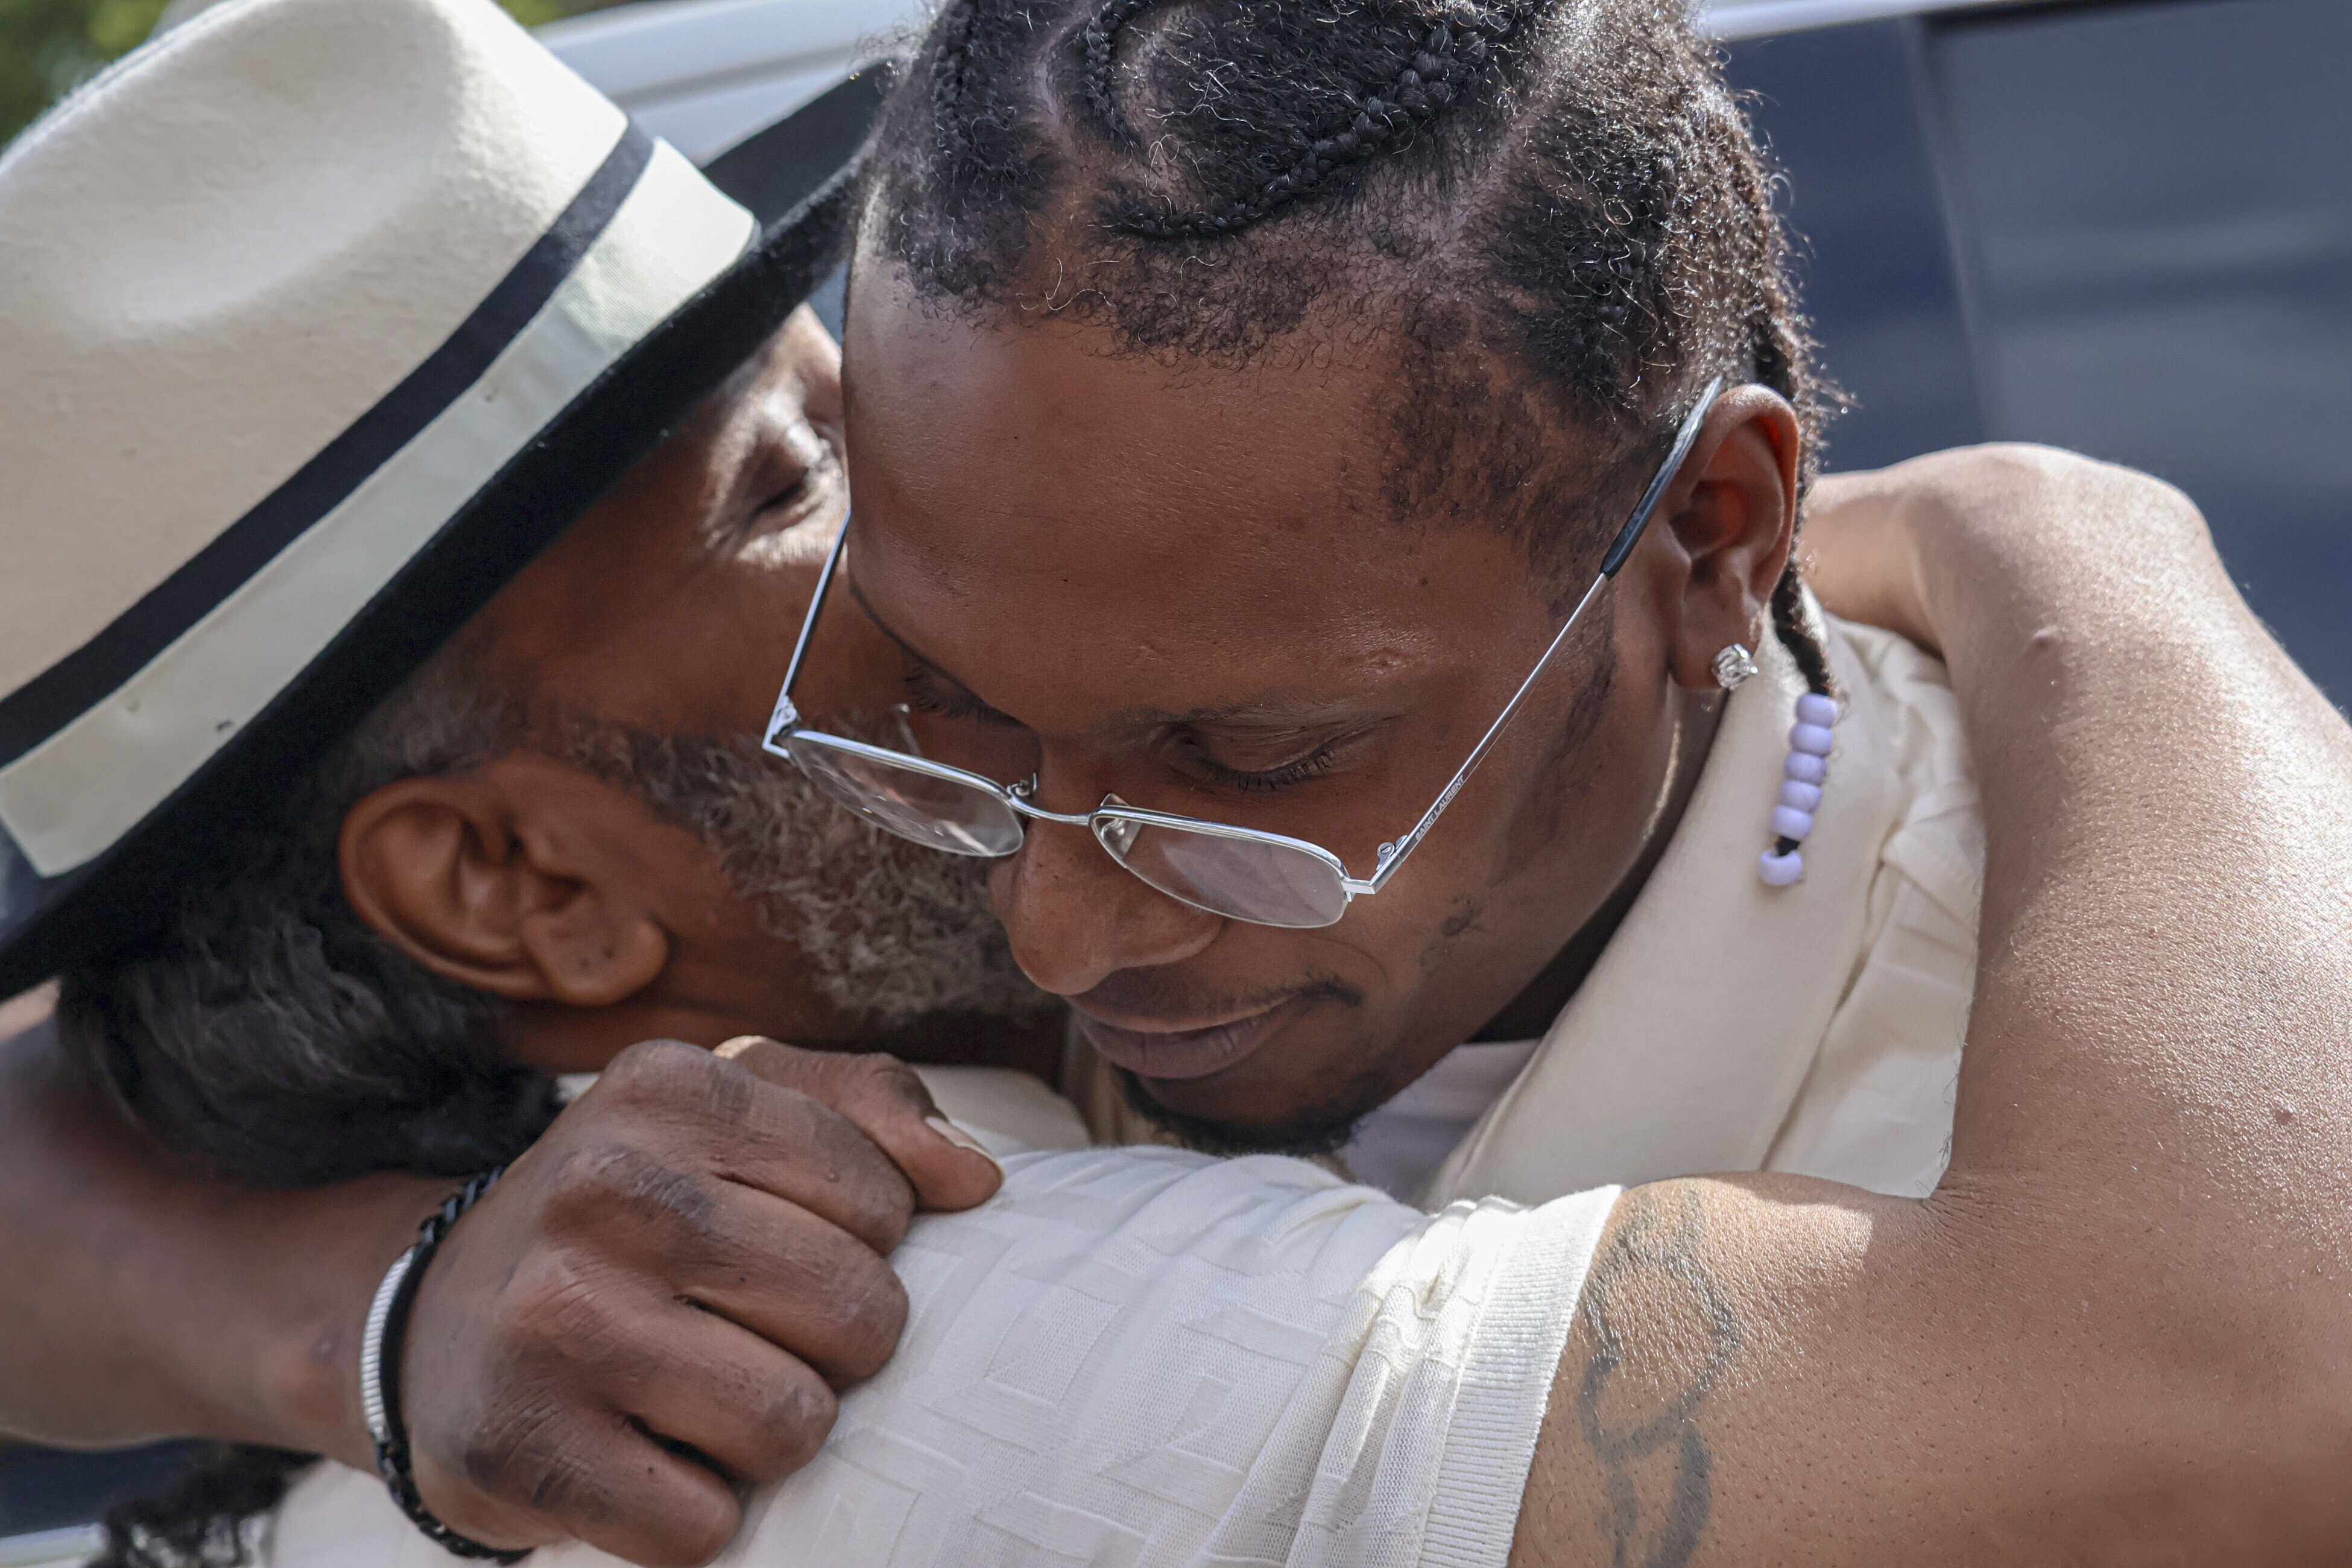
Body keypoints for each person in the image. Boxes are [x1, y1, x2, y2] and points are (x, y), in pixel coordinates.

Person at [1, 0, 2343, 1562]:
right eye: (942, 679)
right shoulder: (817, 1230)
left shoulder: (2098, 1078)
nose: (1056, 918)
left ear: (1713, 530)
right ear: (505, 891)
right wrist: (364, 1307)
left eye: (1252, 754)